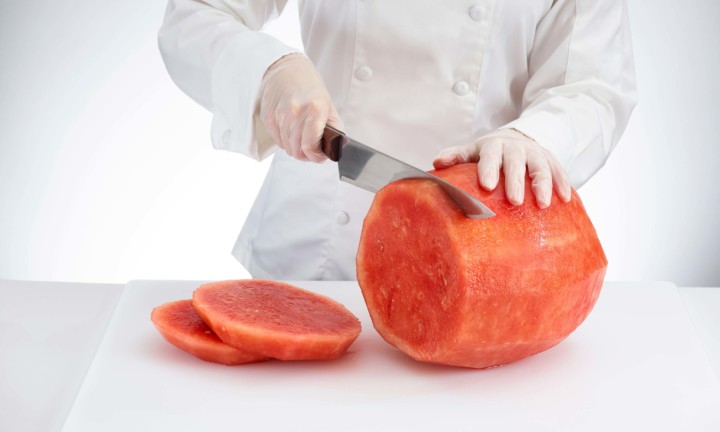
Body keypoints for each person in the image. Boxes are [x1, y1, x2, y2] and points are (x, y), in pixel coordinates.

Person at [158, 0, 636, 280]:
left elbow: (591, 85)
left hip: (476, 259)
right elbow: (195, 15)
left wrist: (533, 137)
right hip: (315, 248)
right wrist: (269, 71)